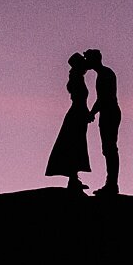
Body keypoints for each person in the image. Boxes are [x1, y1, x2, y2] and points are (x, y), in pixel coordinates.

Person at [44, 52, 92, 191]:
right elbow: (79, 100)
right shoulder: (77, 78)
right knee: (74, 144)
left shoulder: (76, 77)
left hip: (78, 113)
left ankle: (73, 179)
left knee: (75, 145)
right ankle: (73, 180)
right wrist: (86, 113)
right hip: (77, 113)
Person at [84, 49, 120, 196]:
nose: (87, 62)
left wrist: (92, 113)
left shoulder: (105, 75)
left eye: (89, 59)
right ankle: (111, 184)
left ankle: (112, 185)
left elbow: (103, 98)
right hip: (108, 112)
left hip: (109, 113)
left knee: (110, 149)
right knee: (108, 149)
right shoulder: (104, 74)